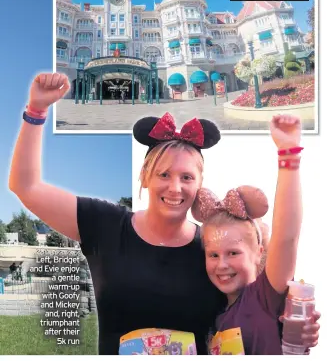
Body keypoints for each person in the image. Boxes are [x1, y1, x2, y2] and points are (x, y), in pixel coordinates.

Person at [8, 73, 320, 355]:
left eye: (187, 178)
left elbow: (259, 289)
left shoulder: (210, 249)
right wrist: (36, 112)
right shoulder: (104, 225)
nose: (175, 188)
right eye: (163, 174)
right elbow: (25, 186)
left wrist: (290, 322)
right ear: (145, 176)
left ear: (200, 184)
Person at [191, 115, 313, 355]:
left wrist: (289, 154)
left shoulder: (264, 296)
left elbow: (287, 237)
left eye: (233, 252)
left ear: (259, 252)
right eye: (213, 254)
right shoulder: (213, 314)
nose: (222, 264)